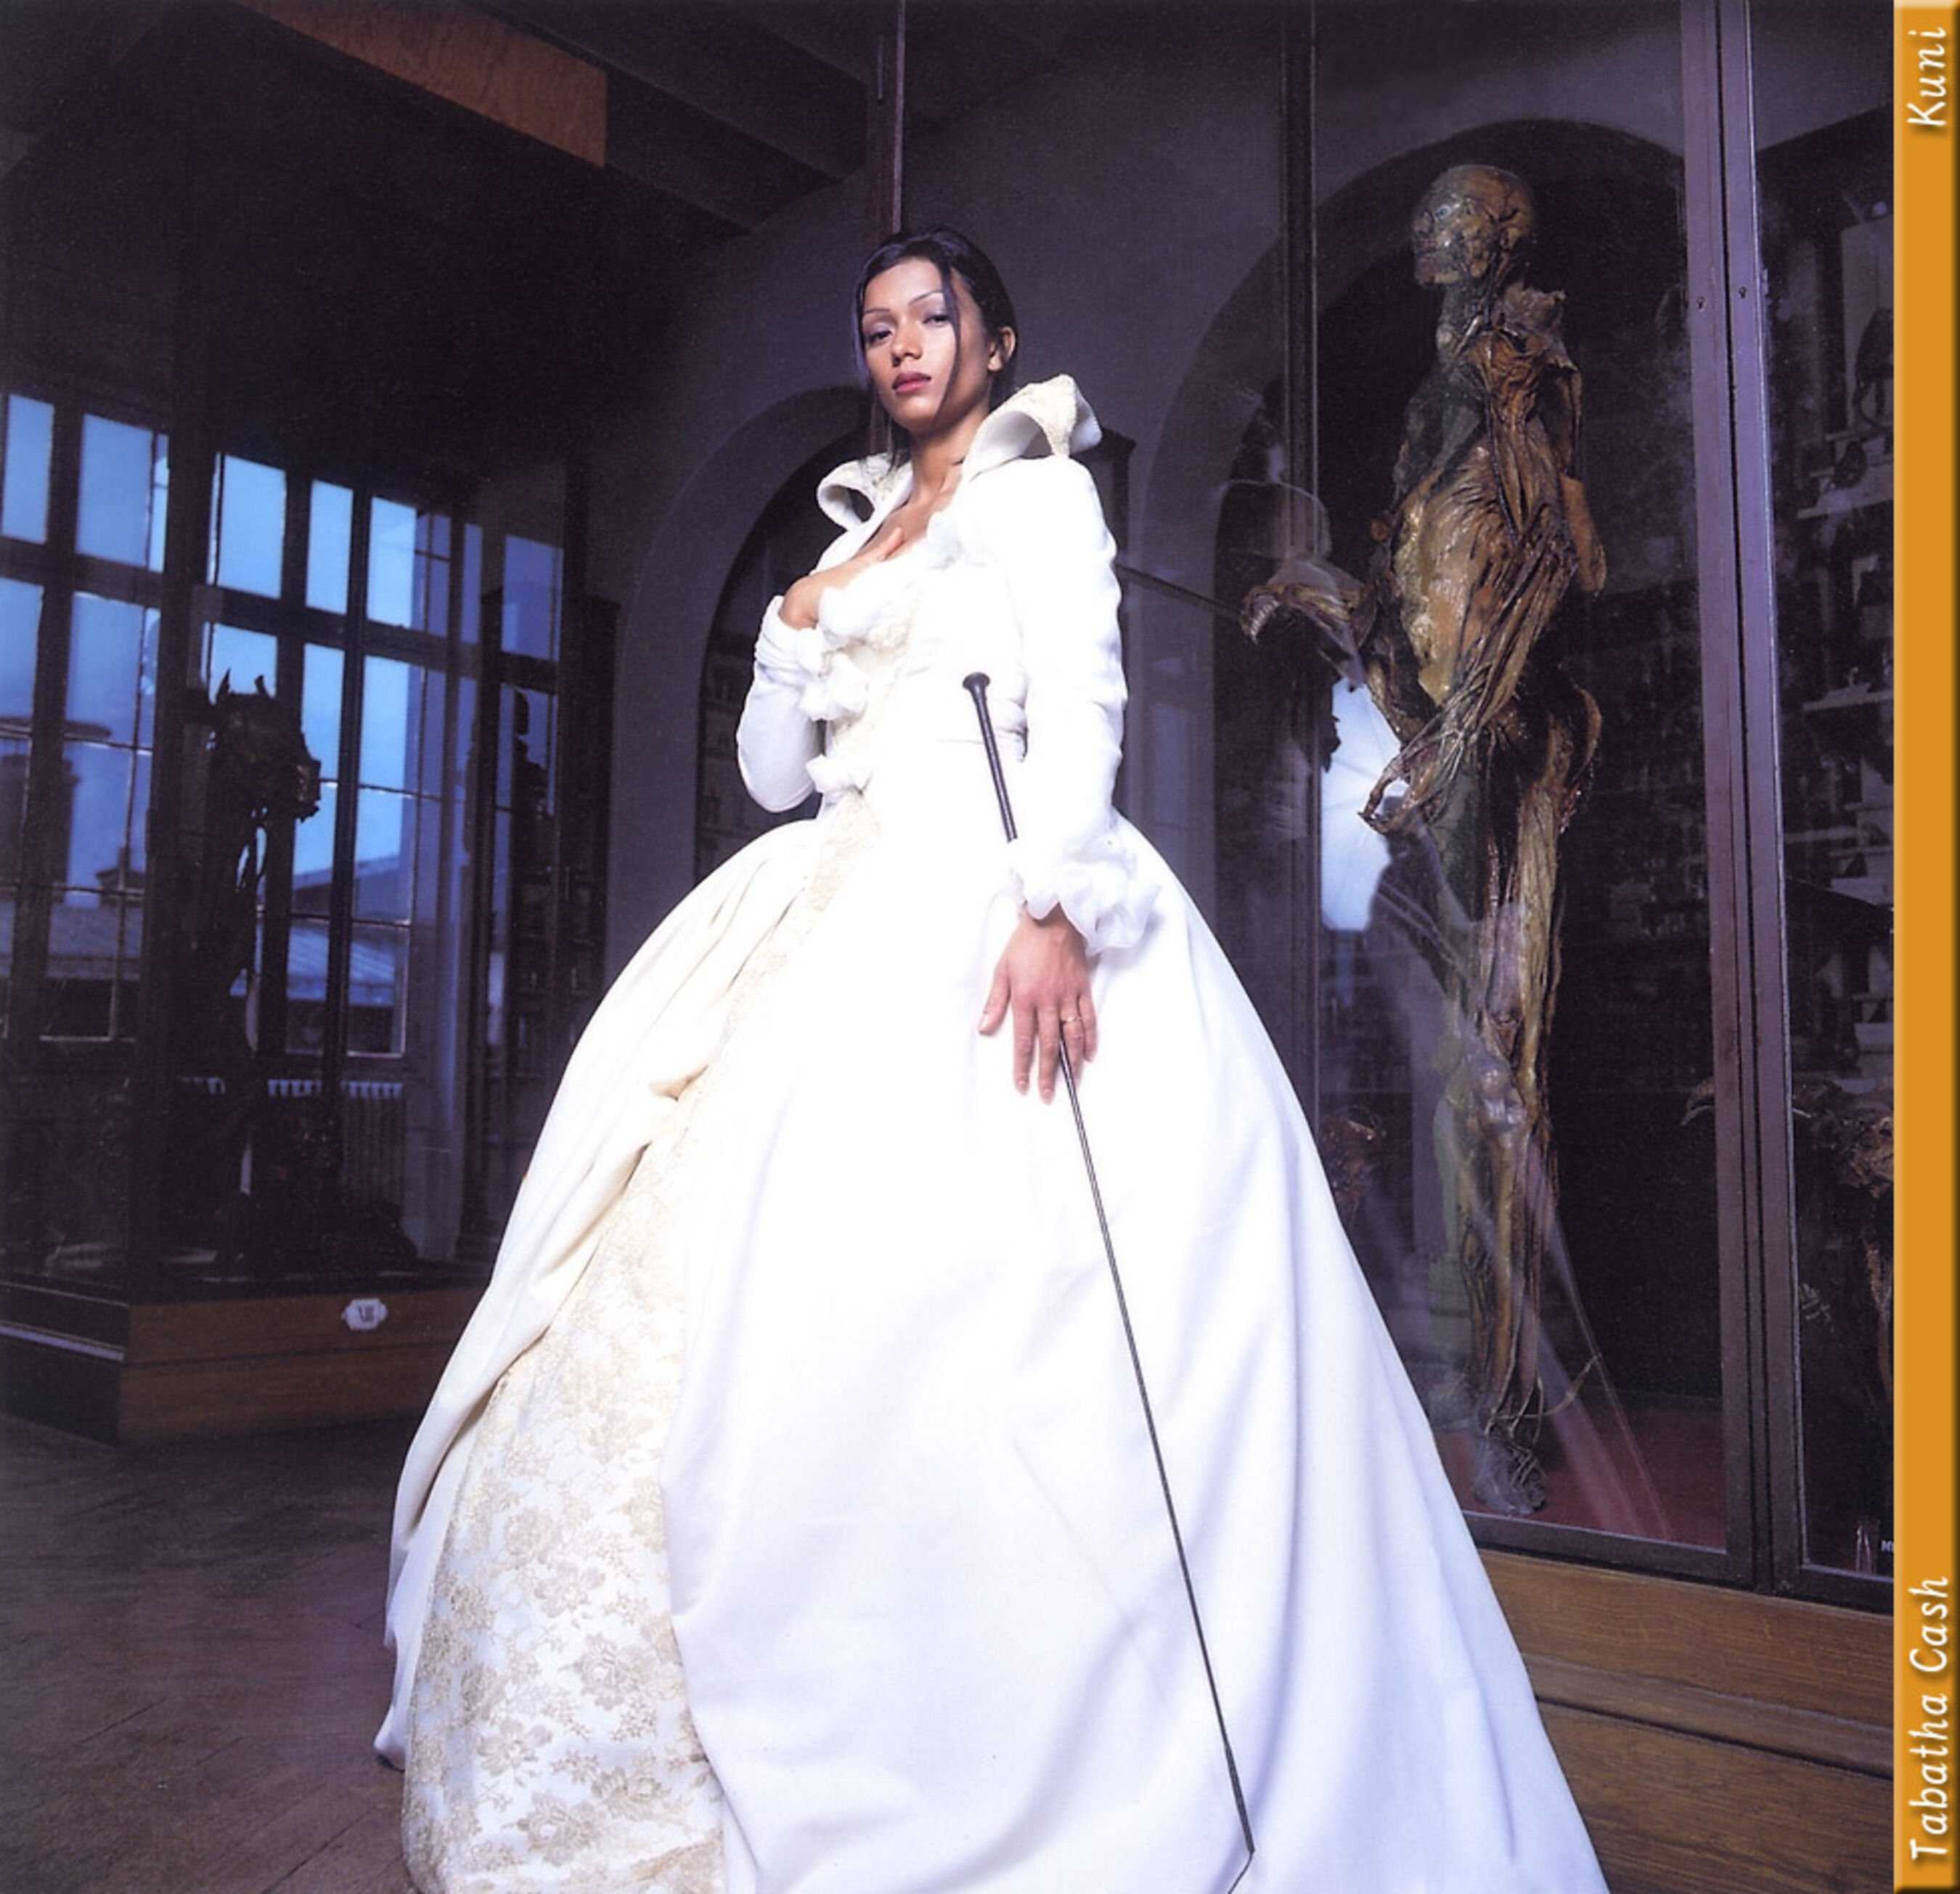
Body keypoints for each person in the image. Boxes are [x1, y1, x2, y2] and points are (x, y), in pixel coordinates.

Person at [378, 225, 1610, 1894]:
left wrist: (1052, 902)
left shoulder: (1038, 497)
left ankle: (1079, 1694)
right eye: (876, 325)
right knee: (774, 1290)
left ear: (997, 342)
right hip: (835, 901)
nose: (900, 346)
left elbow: (1083, 709)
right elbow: (770, 778)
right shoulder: (857, 530)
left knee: (1029, 1298)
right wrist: (792, 629)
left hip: (1000, 879)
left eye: (930, 317)